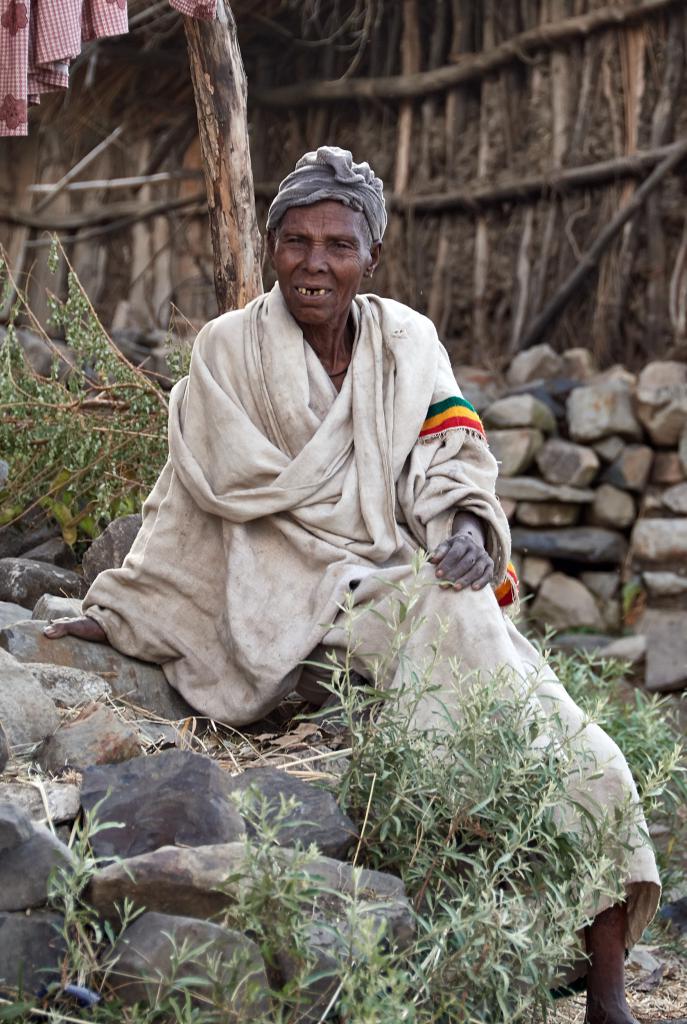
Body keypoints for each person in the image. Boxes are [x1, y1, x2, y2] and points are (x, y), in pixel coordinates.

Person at [45, 146, 659, 1023]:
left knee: (566, 737)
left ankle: (606, 989)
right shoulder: (228, 350)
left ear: (373, 255)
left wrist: (467, 538)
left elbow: (451, 461)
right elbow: (189, 500)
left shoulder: (408, 342)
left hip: (398, 582)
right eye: (295, 242)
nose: (314, 264)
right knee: (470, 661)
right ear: (270, 246)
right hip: (283, 589)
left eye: (337, 244)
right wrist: (125, 604)